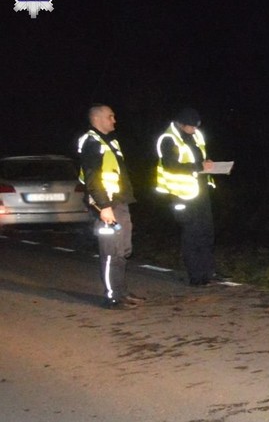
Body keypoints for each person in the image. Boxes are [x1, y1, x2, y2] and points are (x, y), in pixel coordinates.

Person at [77, 104, 143, 309]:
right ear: (97, 119)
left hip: (119, 202)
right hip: (106, 206)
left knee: (122, 249)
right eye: (110, 116)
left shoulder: (110, 142)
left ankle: (121, 291)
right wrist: (104, 206)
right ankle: (112, 297)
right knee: (110, 251)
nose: (114, 120)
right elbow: (92, 178)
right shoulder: (91, 142)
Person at [156, 108, 221, 286]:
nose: (194, 129)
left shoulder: (196, 136)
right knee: (192, 234)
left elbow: (201, 155)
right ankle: (196, 276)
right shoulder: (168, 139)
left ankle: (209, 272)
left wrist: (208, 163)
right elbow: (170, 166)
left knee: (206, 231)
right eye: (191, 126)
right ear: (181, 124)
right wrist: (198, 166)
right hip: (182, 194)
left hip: (201, 191)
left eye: (196, 126)